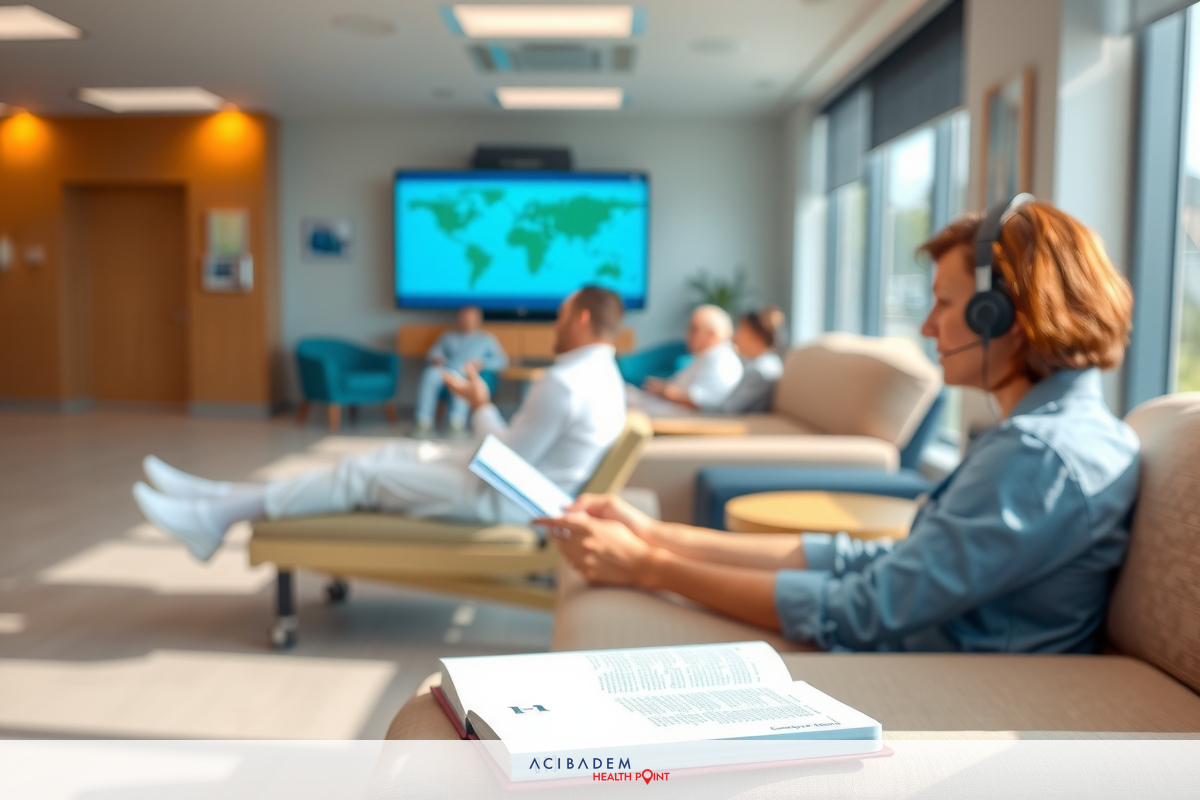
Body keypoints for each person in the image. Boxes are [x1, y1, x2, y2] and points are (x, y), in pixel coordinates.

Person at [538, 198, 1140, 654]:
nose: (929, 327)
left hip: (937, 671)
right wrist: (658, 536)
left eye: (945, 304)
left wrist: (648, 568)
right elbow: (878, 563)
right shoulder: (1050, 436)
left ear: (1001, 315)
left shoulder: (1036, 457)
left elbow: (861, 608)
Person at [134, 287, 628, 562]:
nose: (555, 324)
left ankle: (212, 517)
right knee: (388, 454)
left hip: (504, 502)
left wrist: (479, 404)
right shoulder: (604, 378)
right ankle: (215, 496)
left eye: (560, 314)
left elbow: (506, 464)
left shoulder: (564, 383)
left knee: (363, 475)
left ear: (581, 319)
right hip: (518, 492)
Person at [629, 304, 744, 414]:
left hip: (682, 419)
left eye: (694, 329)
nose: (687, 334)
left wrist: (664, 390)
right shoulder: (708, 356)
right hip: (665, 409)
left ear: (712, 335)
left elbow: (702, 401)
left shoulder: (721, 360)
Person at [414, 305, 508, 434]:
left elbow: (502, 361)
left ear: (478, 320)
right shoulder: (448, 336)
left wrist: (482, 363)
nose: (467, 321)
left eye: (470, 318)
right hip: (445, 369)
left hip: (466, 372)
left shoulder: (486, 339)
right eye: (464, 318)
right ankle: (423, 422)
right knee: (429, 374)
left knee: (462, 380)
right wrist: (437, 358)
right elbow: (433, 353)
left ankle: (456, 423)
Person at [717, 305, 787, 414]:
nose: (735, 335)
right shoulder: (767, 363)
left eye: (741, 329)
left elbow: (728, 409)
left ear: (755, 336)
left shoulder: (760, 371)